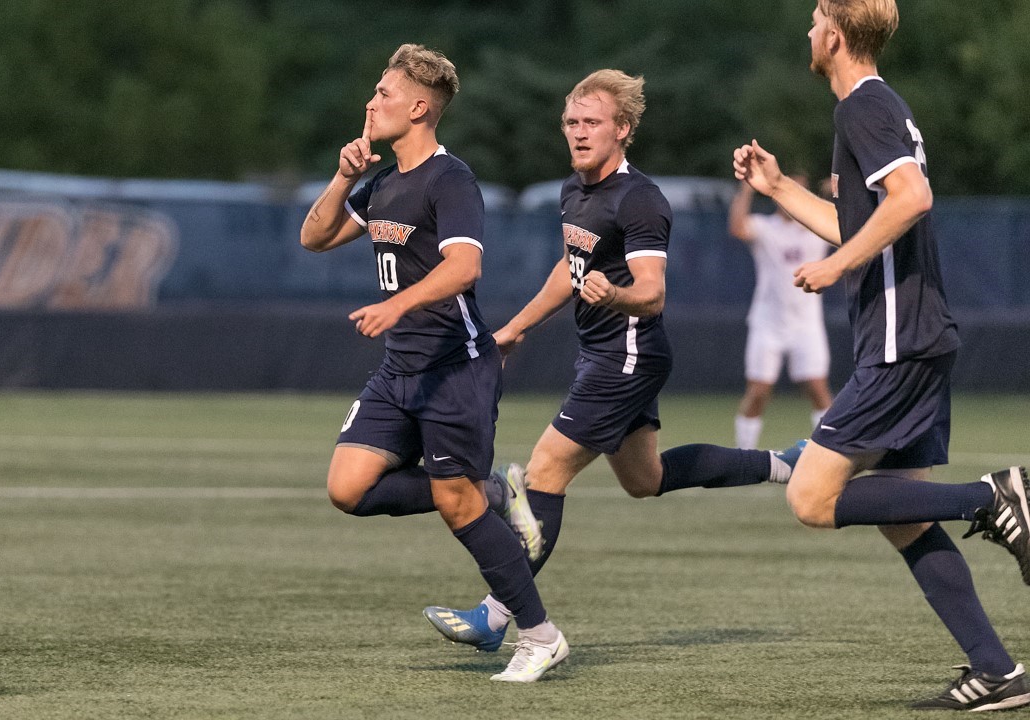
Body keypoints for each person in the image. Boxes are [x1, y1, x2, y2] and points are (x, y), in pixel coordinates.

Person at [422, 69, 796, 653]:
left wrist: (613, 294)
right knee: (646, 480)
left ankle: (500, 619)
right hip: (606, 353)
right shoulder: (576, 191)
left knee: (543, 474)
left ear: (623, 129)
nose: (578, 132)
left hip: (627, 355)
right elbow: (568, 270)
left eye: (591, 122)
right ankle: (782, 463)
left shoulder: (639, 198)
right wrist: (514, 328)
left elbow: (652, 292)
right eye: (571, 122)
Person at [733, 0, 1029, 710]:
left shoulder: (861, 106)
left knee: (810, 496)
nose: (807, 32)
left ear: (833, 35)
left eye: (811, 21)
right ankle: (996, 671)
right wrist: (778, 188)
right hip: (911, 336)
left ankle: (993, 496)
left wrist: (835, 270)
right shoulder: (875, 107)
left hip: (901, 340)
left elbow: (911, 197)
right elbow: (859, 222)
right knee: (903, 515)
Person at [298, 43, 566, 682]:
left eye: (384, 93)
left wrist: (398, 307)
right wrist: (342, 177)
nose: (372, 102)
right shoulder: (383, 182)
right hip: (400, 370)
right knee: (347, 489)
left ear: (419, 107)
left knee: (455, 502)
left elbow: (465, 266)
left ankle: (539, 636)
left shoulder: (450, 178)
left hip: (454, 366)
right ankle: (497, 490)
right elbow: (313, 237)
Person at [727, 178, 833, 449]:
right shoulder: (766, 227)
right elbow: (738, 227)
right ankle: (744, 453)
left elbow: (847, 225)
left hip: (807, 323)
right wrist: (746, 190)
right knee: (758, 391)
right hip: (768, 322)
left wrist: (838, 189)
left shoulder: (816, 229)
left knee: (818, 388)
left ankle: (829, 450)